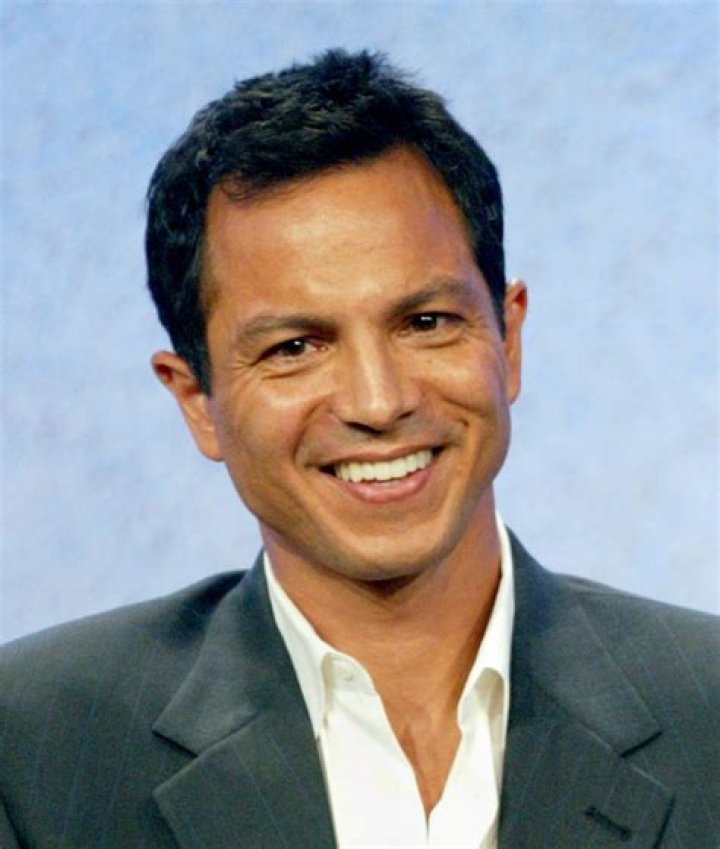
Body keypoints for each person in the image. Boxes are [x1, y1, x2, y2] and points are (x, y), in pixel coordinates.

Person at [0, 49, 717, 849]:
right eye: (296, 347)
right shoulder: (33, 752)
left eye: (425, 323)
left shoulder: (709, 711)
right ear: (197, 399)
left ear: (508, 340)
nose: (379, 402)